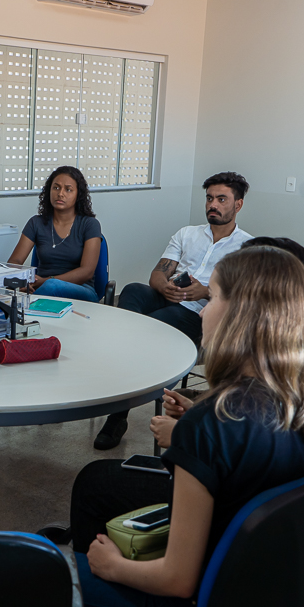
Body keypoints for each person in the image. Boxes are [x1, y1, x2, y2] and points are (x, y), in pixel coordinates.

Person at [65, 246, 304, 607]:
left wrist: (110, 567)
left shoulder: (211, 423)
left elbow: (177, 579)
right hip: (258, 603)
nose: (205, 311)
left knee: (39, 574)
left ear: (240, 315)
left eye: (212, 298)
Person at [93, 171, 253, 450]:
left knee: (158, 323)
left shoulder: (247, 247)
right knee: (133, 290)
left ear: (238, 205)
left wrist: (206, 292)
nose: (212, 204)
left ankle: (117, 413)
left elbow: (242, 299)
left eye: (221, 199)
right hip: (168, 298)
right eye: (209, 198)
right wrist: (164, 287)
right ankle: (121, 350)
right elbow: (158, 273)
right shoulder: (187, 234)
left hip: (200, 315)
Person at [7, 166, 102, 302]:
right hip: (40, 288)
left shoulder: (90, 224)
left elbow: (87, 271)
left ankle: (26, 310)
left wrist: (45, 281)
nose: (60, 194)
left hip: (82, 291)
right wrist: (21, 281)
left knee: (52, 286)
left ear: (78, 195)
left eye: (68, 189)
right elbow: (14, 262)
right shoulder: (36, 223)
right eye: (56, 188)